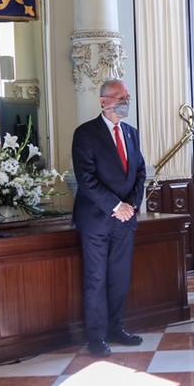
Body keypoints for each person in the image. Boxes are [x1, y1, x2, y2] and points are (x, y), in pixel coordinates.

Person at [71, 79, 147, 357]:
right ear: (103, 101)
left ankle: (116, 328)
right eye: (119, 96)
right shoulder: (86, 134)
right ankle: (96, 336)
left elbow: (140, 172)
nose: (125, 100)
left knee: (120, 276)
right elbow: (86, 179)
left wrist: (131, 205)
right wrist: (116, 206)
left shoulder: (131, 133)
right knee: (96, 278)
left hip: (125, 220)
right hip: (96, 219)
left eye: (127, 95)